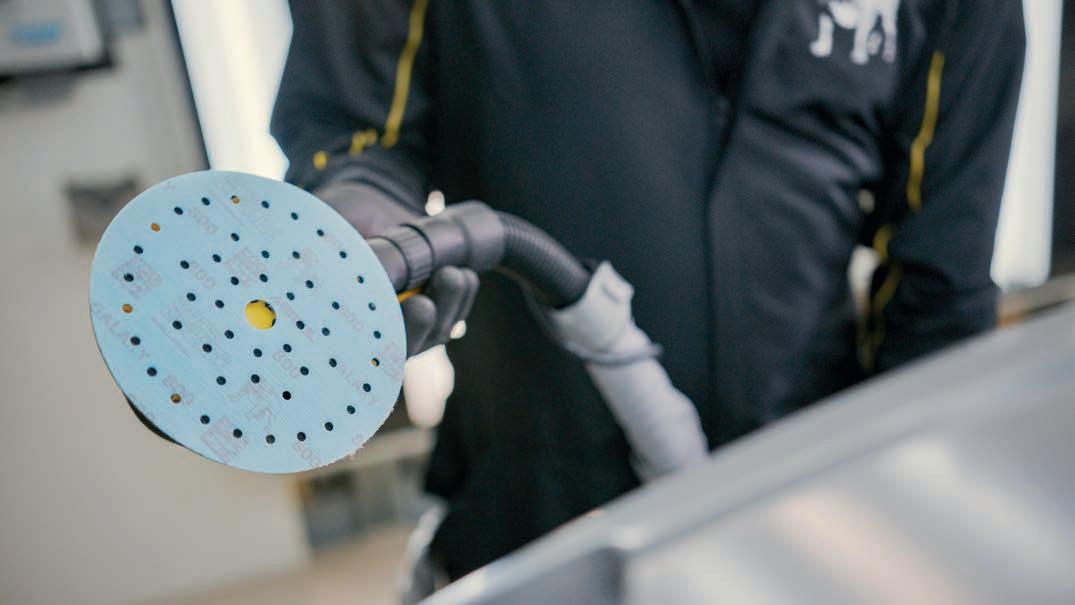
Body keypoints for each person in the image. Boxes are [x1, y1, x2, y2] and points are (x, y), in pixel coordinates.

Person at [271, 0, 1026, 580]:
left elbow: (938, 295)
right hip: (534, 517)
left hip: (806, 515)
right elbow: (352, 129)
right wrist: (357, 212)